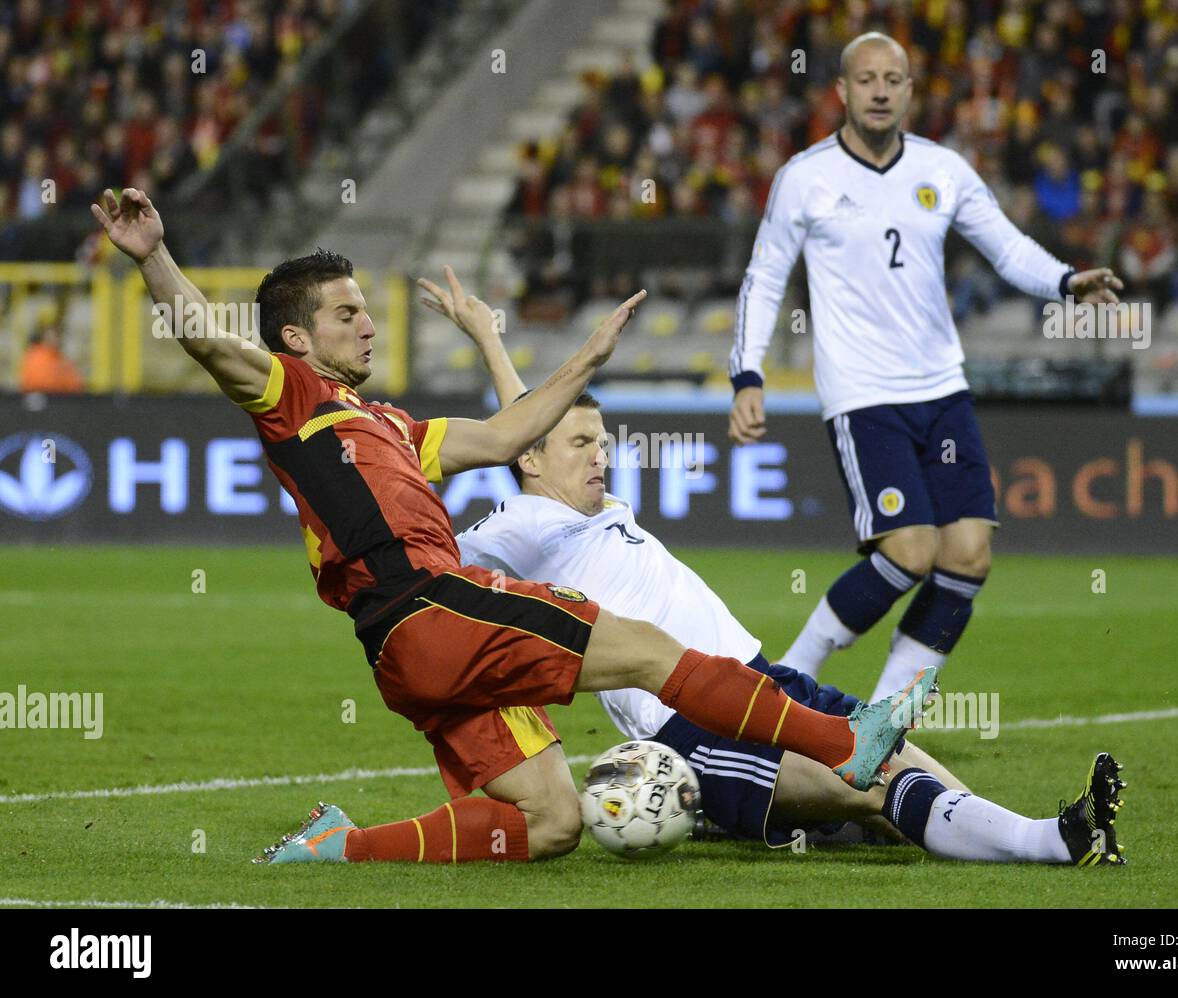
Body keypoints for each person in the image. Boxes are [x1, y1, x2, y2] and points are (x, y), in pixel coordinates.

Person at [90, 187, 933, 868]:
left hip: (407, 651)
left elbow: (503, 437)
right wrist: (155, 256)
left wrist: (588, 360)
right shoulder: (290, 397)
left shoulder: (389, 423)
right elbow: (205, 338)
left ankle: (339, 846)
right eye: (347, 313)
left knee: (552, 821)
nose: (369, 323)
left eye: (364, 310)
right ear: (296, 337)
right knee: (644, 648)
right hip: (429, 605)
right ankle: (842, 742)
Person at [448, 319, 1127, 866]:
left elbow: (527, 421)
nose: (601, 454)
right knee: (869, 782)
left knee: (895, 769)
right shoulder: (516, 526)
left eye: (601, 440)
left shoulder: (595, 506)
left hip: (766, 682)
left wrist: (488, 338)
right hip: (692, 724)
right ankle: (1061, 840)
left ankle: (1037, 836)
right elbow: (451, 535)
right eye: (581, 443)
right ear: (529, 458)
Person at [727, 33, 1125, 700]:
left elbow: (1004, 245)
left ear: (910, 91)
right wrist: (748, 375)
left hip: (941, 388)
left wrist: (1064, 282)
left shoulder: (942, 170)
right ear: (843, 92)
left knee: (968, 554)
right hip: (864, 395)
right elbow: (763, 279)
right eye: (867, 79)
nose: (880, 90)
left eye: (894, 79)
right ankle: (785, 680)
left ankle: (884, 721)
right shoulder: (806, 177)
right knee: (908, 550)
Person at [20, 322, 84, 394]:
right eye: (51, 336)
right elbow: (37, 382)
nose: (55, 339)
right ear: (43, 338)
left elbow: (75, 385)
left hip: (61, 400)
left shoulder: (63, 360)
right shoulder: (35, 356)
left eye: (57, 336)